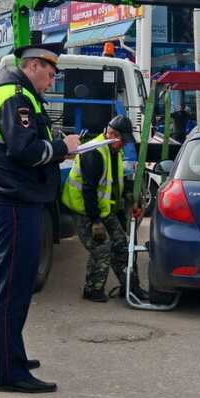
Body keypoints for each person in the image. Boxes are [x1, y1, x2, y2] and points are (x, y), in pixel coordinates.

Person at [0, 42, 80, 394]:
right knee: (15, 286)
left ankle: (4, 355)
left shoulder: (16, 91)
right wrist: (62, 148)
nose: (51, 82)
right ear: (34, 65)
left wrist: (54, 149)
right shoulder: (14, 95)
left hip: (13, 199)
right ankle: (12, 372)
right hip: (14, 201)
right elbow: (24, 150)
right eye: (50, 74)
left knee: (7, 284)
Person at [62, 115, 145, 302]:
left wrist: (128, 197)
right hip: (84, 209)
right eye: (122, 141)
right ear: (112, 135)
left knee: (122, 246)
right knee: (102, 247)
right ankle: (92, 290)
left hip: (105, 209)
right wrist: (96, 222)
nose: (124, 145)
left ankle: (132, 288)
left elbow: (114, 183)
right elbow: (89, 191)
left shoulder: (114, 151)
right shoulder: (94, 152)